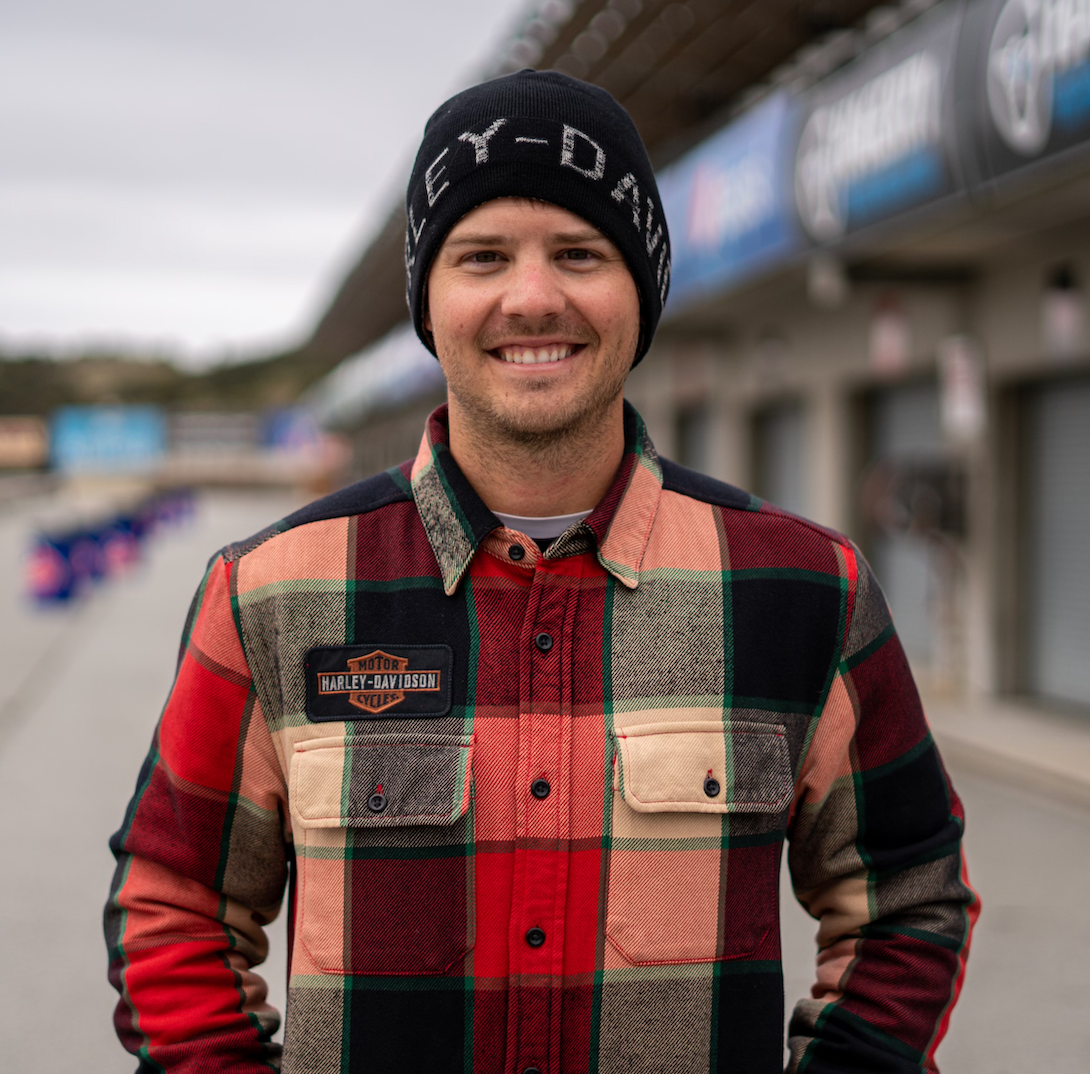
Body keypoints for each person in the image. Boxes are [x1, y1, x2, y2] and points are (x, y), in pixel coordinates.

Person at [105, 70, 978, 1074]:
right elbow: (174, 906)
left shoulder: (805, 590)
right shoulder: (272, 593)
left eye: (578, 253)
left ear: (641, 292)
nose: (531, 298)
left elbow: (908, 898)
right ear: (428, 300)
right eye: (482, 256)